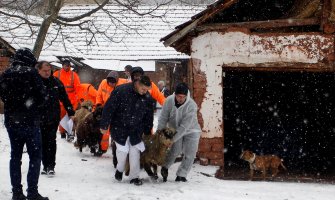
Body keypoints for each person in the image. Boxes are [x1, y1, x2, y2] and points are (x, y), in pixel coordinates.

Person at [0, 48, 49, 200]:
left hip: (12, 121)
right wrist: (33, 106)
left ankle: (16, 193)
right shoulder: (31, 73)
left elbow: (3, 95)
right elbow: (42, 96)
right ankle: (32, 192)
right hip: (30, 122)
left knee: (15, 156)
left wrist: (13, 105)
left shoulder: (6, 74)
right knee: (35, 156)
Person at [100, 75, 154, 186]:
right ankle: (119, 169)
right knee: (123, 152)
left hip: (136, 129)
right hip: (119, 127)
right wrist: (104, 125)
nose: (145, 92)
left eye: (147, 90)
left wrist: (148, 131)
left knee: (135, 152)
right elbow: (108, 108)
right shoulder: (121, 91)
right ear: (138, 83)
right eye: (143, 89)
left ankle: (134, 177)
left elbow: (149, 116)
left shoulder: (146, 97)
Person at [37, 61, 75, 176]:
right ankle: (44, 165)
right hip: (38, 118)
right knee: (42, 142)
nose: (47, 73)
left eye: (48, 70)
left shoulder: (56, 82)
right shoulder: (35, 82)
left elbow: (65, 98)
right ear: (38, 70)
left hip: (53, 117)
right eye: (44, 71)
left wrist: (71, 112)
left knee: (51, 141)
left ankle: (51, 166)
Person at [157, 83, 201, 182]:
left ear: (186, 96)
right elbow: (163, 118)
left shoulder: (192, 105)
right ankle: (165, 167)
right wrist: (159, 133)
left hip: (191, 130)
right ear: (175, 94)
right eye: (178, 96)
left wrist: (172, 140)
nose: (180, 99)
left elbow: (184, 126)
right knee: (175, 151)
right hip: (174, 129)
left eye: (183, 97)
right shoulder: (169, 101)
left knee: (190, 153)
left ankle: (182, 175)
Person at [96, 71, 128, 154]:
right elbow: (99, 95)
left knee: (116, 131)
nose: (111, 84)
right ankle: (103, 148)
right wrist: (99, 105)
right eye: (110, 82)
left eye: (113, 83)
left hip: (118, 112)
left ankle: (116, 147)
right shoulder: (103, 83)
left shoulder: (123, 84)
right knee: (104, 130)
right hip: (105, 109)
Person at [53, 59, 80, 139]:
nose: (67, 67)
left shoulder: (74, 75)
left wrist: (77, 98)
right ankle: (62, 132)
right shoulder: (57, 74)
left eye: (68, 65)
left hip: (71, 101)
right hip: (60, 100)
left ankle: (70, 132)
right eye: (65, 65)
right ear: (62, 66)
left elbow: (78, 88)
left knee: (70, 117)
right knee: (61, 117)